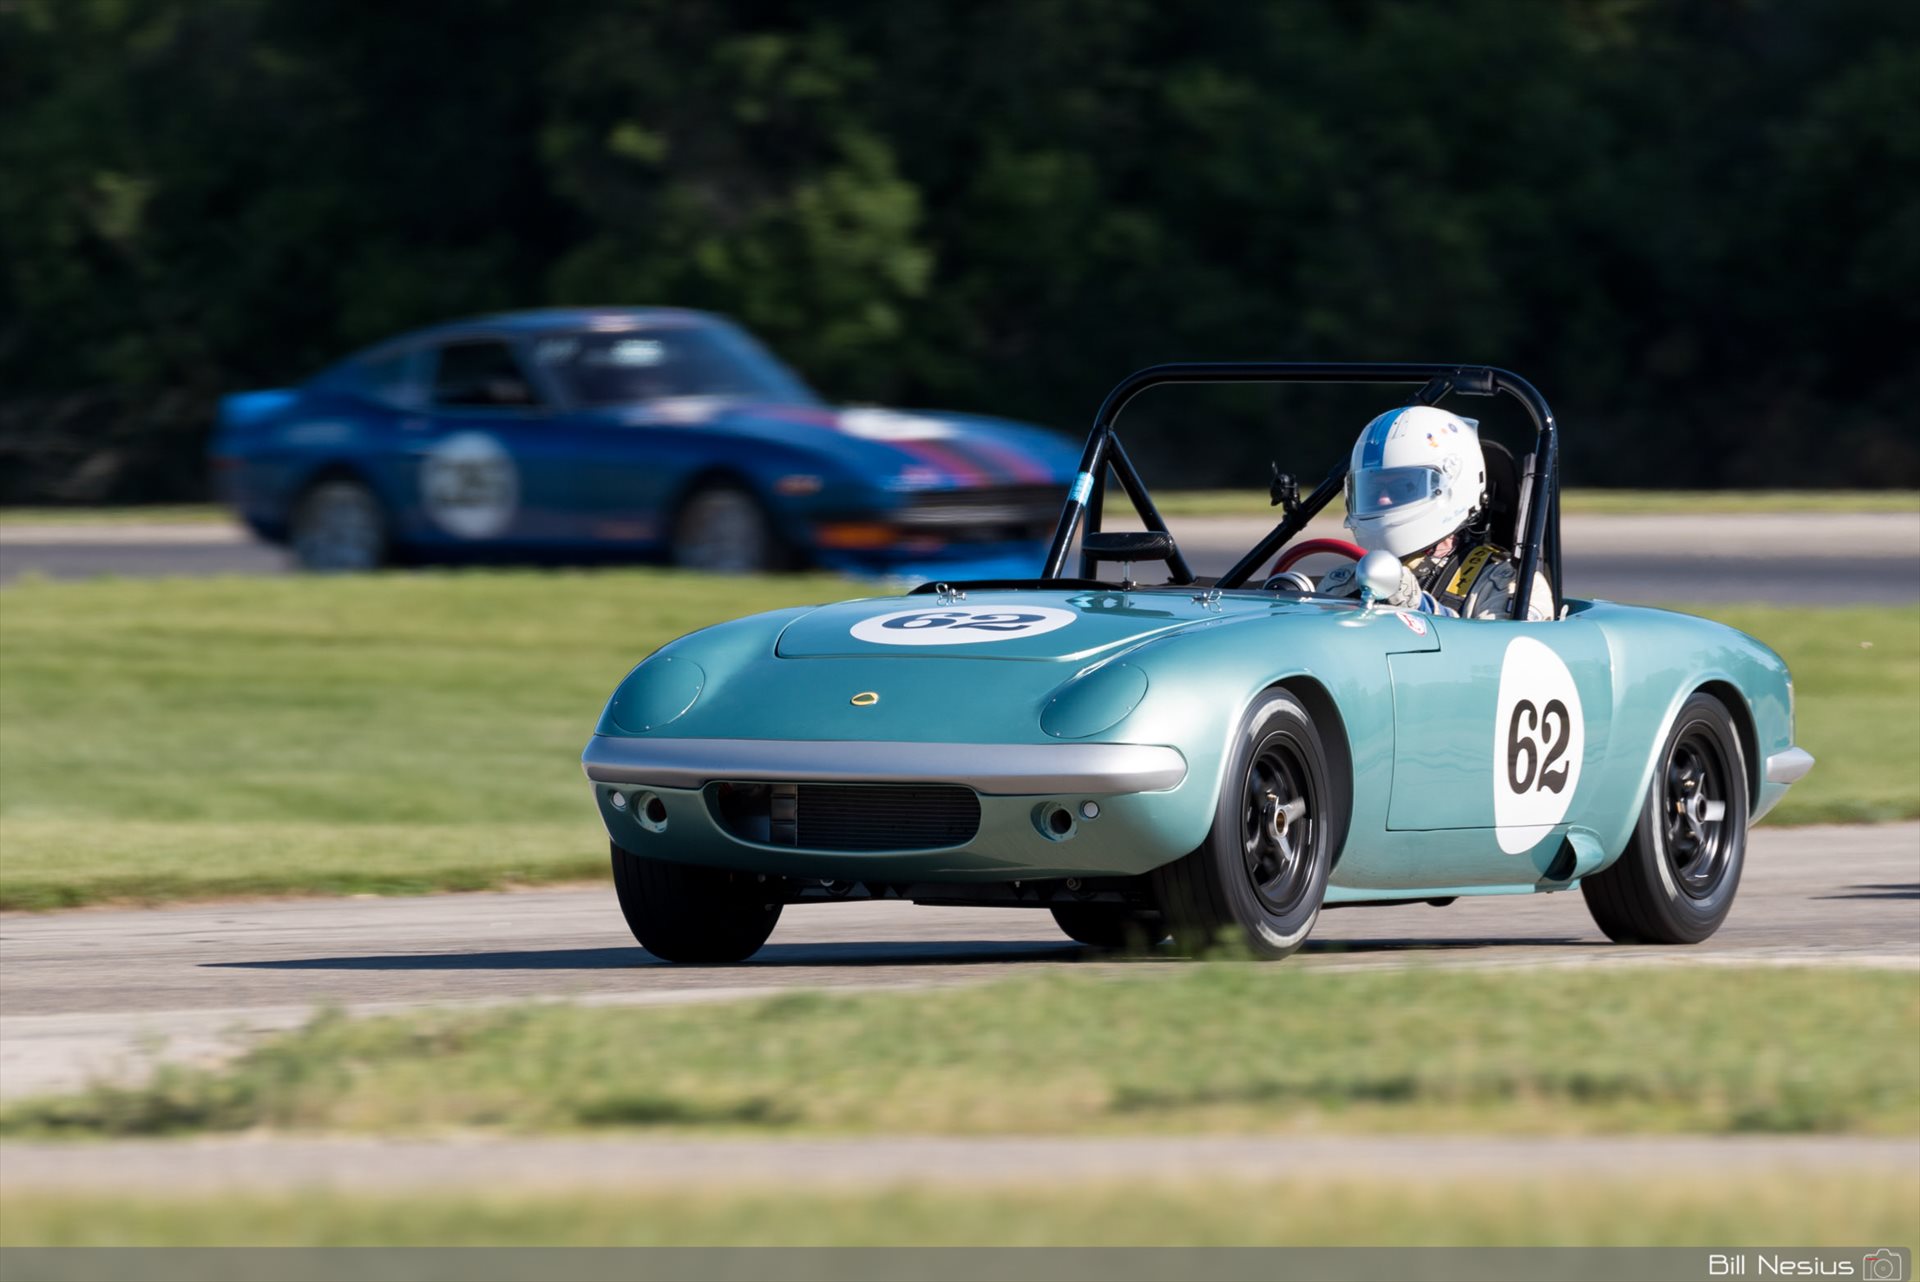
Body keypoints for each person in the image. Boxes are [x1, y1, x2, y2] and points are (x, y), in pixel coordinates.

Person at [1311, 404, 1554, 620]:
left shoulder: (1506, 583)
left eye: (1401, 486)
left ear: (1452, 486)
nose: (1383, 498)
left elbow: (1500, 658)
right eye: (1373, 490)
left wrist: (1420, 607)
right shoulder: (1345, 581)